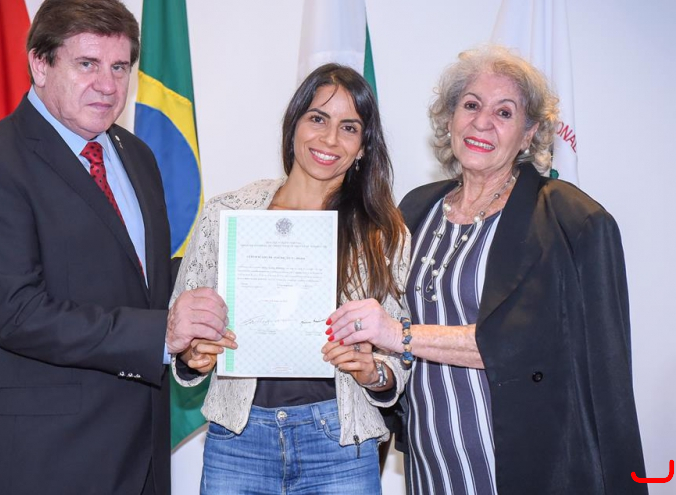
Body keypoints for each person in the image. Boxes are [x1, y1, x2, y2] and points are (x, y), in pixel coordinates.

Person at [0, 0, 227, 495]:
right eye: (87, 64)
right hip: (38, 461)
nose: (108, 85)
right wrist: (161, 335)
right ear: (40, 64)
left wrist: (221, 285)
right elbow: (17, 313)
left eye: (120, 67)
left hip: (139, 454)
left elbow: (141, 283)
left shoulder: (136, 156)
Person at [327, 45, 648, 494]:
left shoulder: (567, 219)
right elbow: (393, 328)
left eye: (504, 112)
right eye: (471, 105)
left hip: (524, 466)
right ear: (450, 118)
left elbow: (529, 345)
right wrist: (376, 368)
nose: (482, 122)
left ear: (529, 133)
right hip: (431, 461)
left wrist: (398, 335)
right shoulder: (416, 209)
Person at [170, 64, 411, 494]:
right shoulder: (229, 213)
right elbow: (183, 322)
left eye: (349, 128)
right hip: (238, 438)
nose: (329, 139)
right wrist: (193, 354)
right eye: (318, 118)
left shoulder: (383, 232)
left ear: (362, 147)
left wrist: (376, 372)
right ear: (294, 124)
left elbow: (403, 345)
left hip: (339, 442)